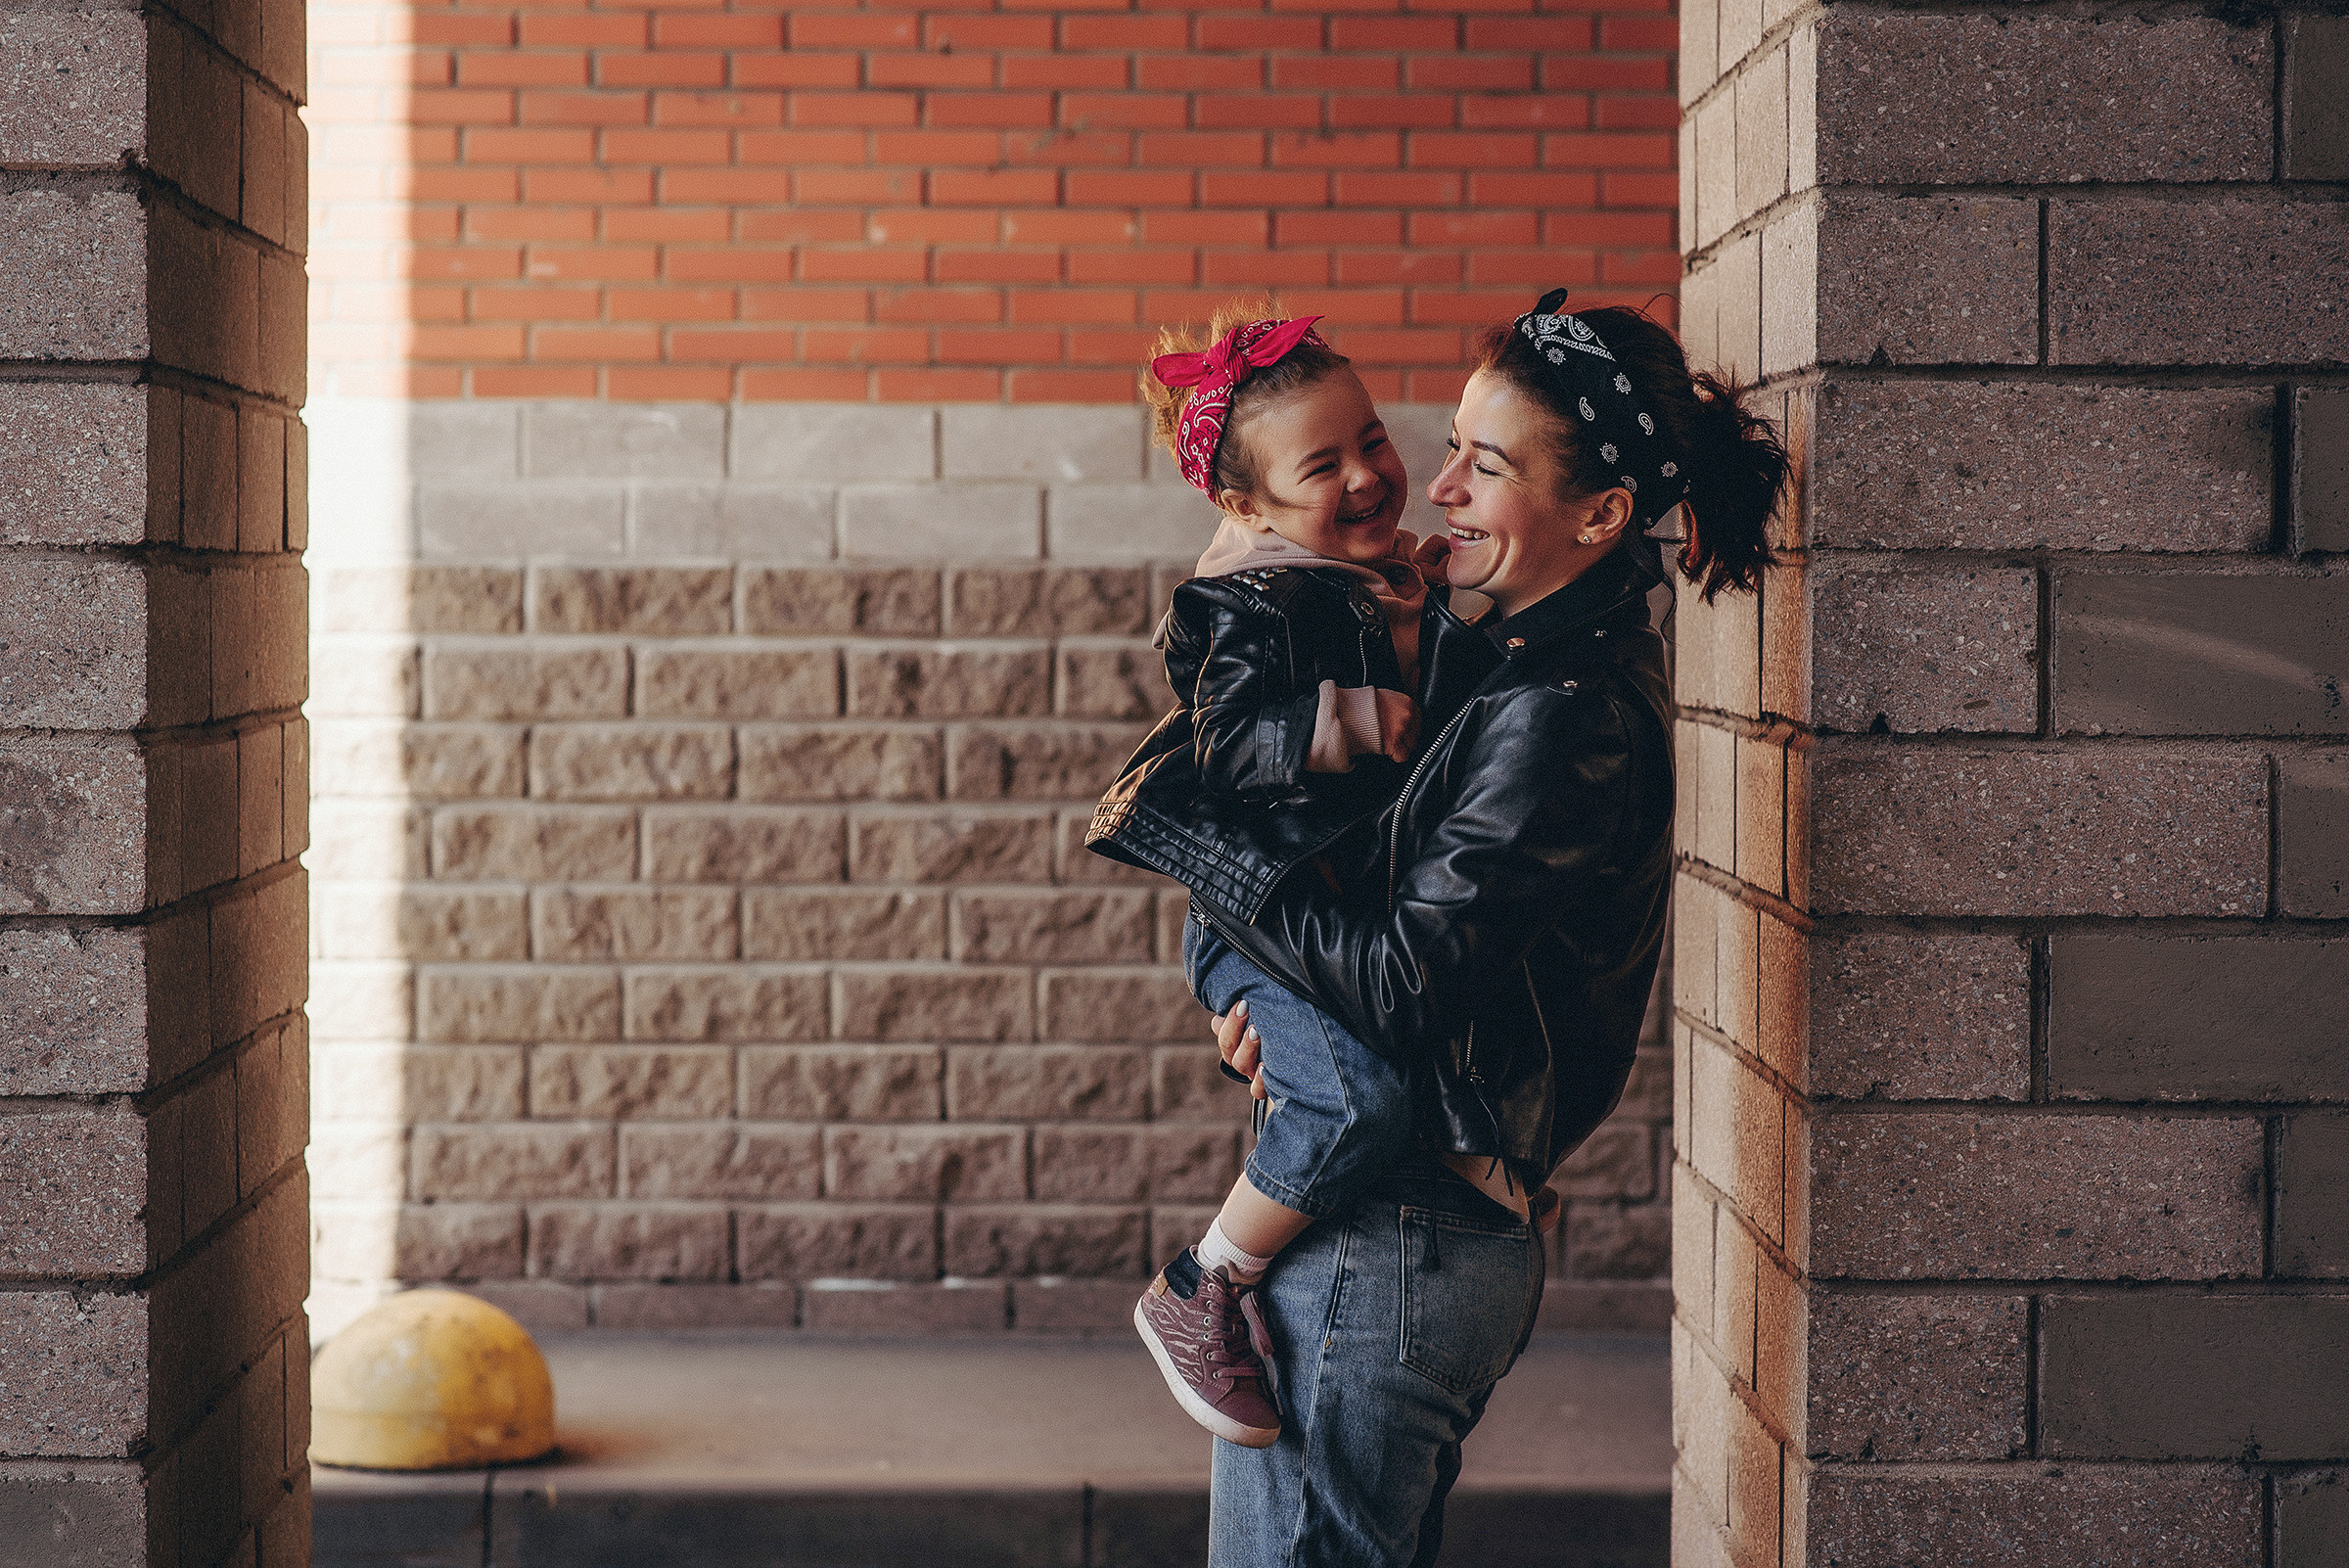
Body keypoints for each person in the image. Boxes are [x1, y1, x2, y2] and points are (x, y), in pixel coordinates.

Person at [1194, 287, 1789, 1566]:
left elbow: (1403, 983)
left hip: (1390, 1239)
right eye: (1452, 443)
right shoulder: (1509, 659)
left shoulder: (1565, 715)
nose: (1440, 485)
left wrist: (1222, 867)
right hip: (1388, 1224)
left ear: (1601, 515)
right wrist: (1271, 1019)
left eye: (1488, 462)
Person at [1087, 302, 1445, 1449]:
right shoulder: (1242, 600)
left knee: (1358, 1087)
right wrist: (1361, 713)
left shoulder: (1346, 575)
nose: (1366, 476)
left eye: (1374, 440)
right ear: (1246, 504)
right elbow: (1230, 744)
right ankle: (1201, 1286)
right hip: (1259, 918)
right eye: (1322, 465)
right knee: (1355, 1100)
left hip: (1313, 908)